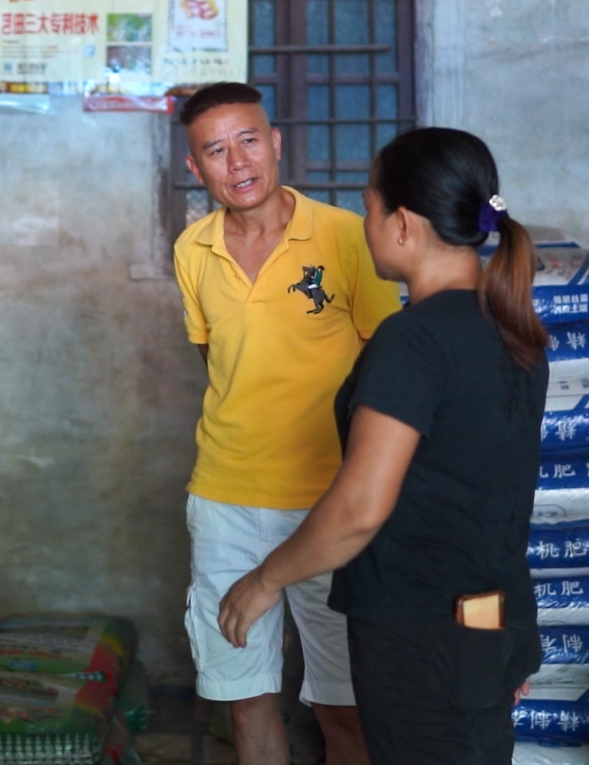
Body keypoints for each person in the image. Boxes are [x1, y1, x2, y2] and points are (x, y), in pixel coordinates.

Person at [215, 127, 549, 765]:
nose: (364, 225)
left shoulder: (412, 341)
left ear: (402, 224)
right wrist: (507, 638)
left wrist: (264, 580)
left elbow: (360, 509)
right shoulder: (512, 331)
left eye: (368, 208)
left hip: (420, 633)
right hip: (488, 621)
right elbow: (498, 497)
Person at [173, 82, 401, 765]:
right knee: (246, 700)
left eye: (249, 140)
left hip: (332, 501)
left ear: (276, 143)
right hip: (225, 498)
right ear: (195, 168)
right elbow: (219, 361)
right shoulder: (192, 249)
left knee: (344, 708)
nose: (238, 162)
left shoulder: (344, 235)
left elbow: (386, 368)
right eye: (216, 150)